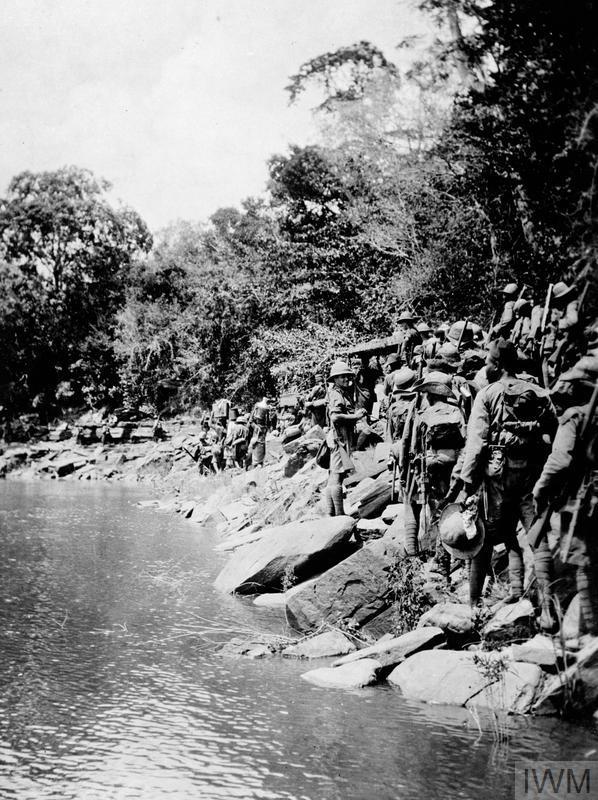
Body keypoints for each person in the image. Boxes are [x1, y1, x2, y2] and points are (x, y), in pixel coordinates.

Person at [456, 339, 558, 625]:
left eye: (488, 361)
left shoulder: (487, 395)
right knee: (536, 537)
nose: (486, 365)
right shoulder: (538, 392)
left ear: (497, 365)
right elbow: (555, 431)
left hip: (497, 475)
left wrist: (467, 482)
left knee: (484, 537)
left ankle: (474, 606)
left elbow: (477, 443)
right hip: (531, 473)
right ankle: (545, 607)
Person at [532, 356, 598, 635]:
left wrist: (541, 490)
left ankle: (593, 636)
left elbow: (559, 462)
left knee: (586, 566)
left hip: (589, 501)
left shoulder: (575, 417)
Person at [395, 371, 467, 578]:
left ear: (428, 394)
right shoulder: (457, 411)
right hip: (455, 467)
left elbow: (411, 443)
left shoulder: (422, 415)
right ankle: (460, 557)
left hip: (430, 467)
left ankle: (441, 561)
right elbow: (466, 441)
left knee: (437, 510)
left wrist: (407, 470)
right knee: (453, 507)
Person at [324, 361, 366, 516]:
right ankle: (339, 514)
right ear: (335, 379)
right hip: (339, 437)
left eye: (347, 376)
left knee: (334, 474)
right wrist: (355, 416)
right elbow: (335, 417)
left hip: (339, 436)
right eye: (341, 377)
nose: (345, 379)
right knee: (337, 475)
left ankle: (331, 513)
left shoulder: (339, 392)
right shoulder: (336, 393)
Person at [249, 397, 271, 469]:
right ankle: (255, 462)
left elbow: (268, 421)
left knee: (261, 445)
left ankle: (260, 462)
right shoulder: (257, 406)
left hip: (263, 430)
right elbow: (251, 421)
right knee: (255, 444)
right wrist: (256, 427)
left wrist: (266, 428)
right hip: (257, 430)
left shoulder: (267, 408)